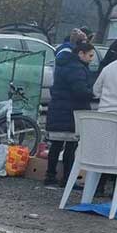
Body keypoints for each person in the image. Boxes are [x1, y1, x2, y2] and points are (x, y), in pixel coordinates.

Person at [45, 42, 96, 187]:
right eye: (90, 55)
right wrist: (92, 94)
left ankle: (50, 175)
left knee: (55, 145)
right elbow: (80, 91)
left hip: (58, 110)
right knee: (71, 147)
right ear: (81, 54)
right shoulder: (77, 69)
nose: (92, 59)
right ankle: (67, 179)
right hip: (72, 112)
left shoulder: (63, 65)